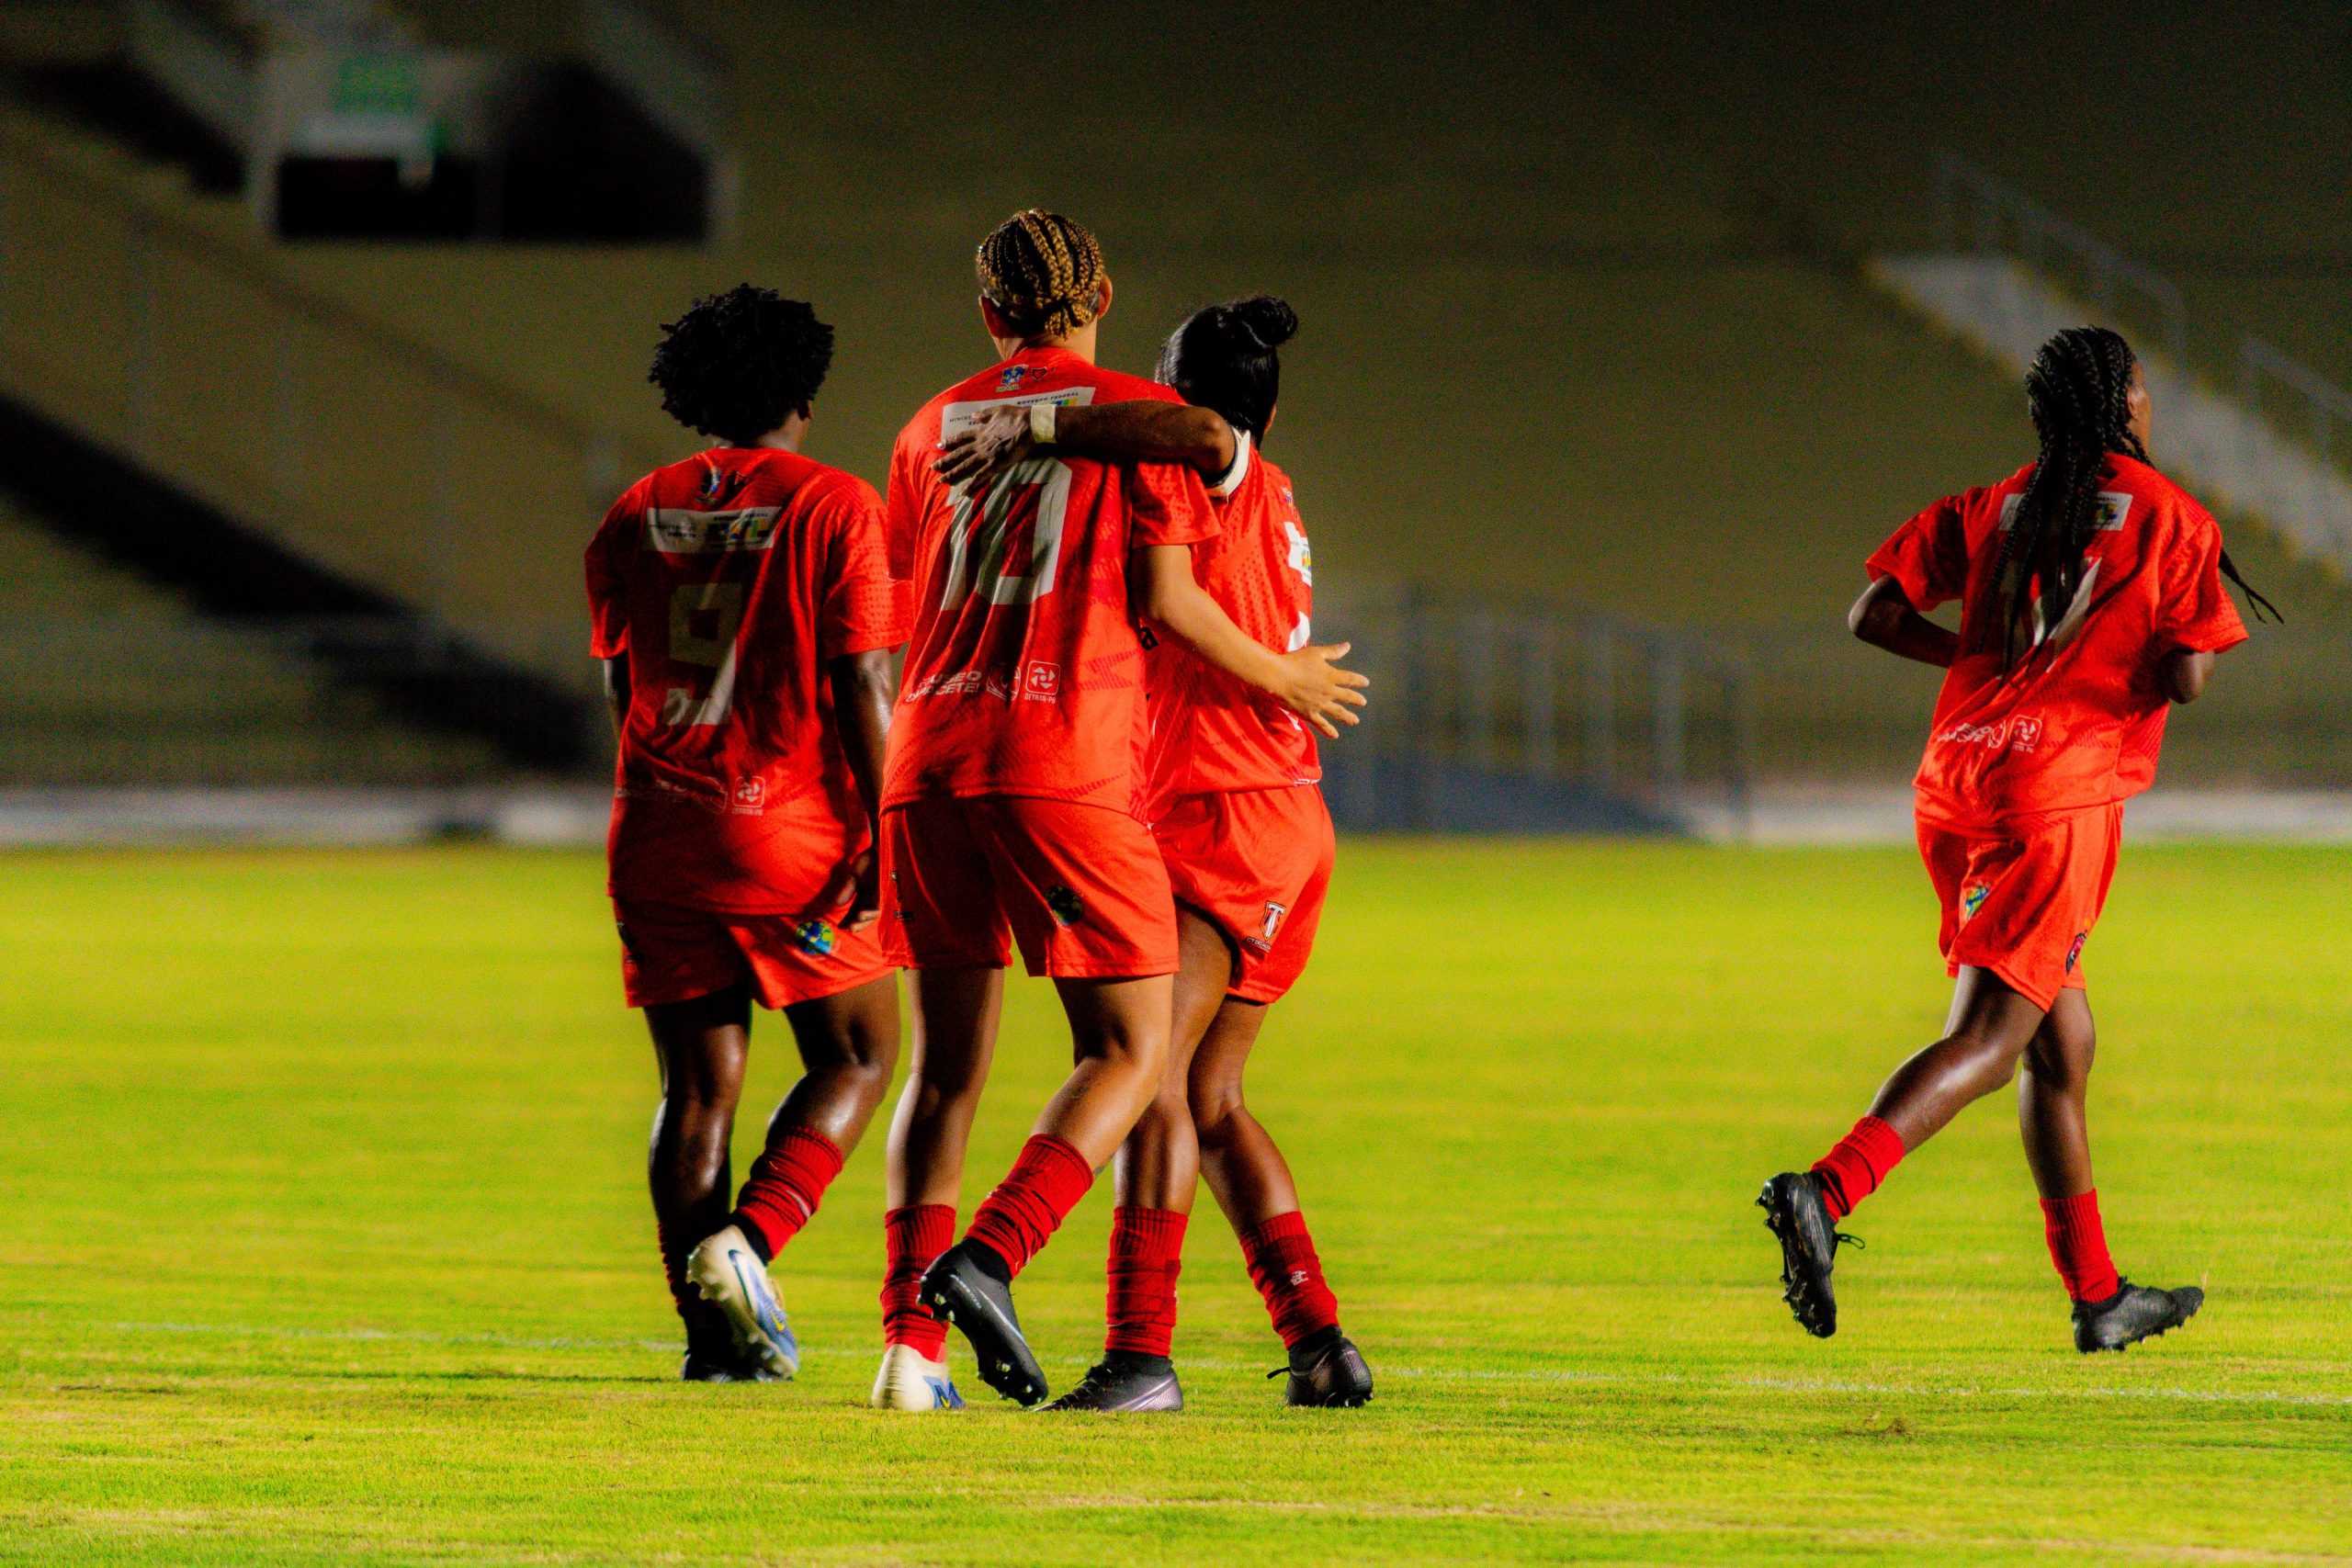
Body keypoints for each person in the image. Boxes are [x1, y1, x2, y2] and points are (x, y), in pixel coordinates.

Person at [870, 211, 1367, 1411]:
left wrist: (1028, 414)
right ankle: (1308, 1334)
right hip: (1143, 786)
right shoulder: (1175, 453)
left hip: (1216, 801)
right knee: (1190, 1084)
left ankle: (1021, 1316)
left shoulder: (1173, 454)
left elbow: (1159, 561)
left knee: (1124, 1069)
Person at [1758, 325, 2269, 1353]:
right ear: (2124, 402)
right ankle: (1826, 1187)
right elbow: (2182, 675)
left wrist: (1989, 663)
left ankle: (2098, 1295)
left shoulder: (1994, 503)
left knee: (2059, 1045)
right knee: (1996, 1041)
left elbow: (1871, 611)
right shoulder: (2173, 517)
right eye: (2145, 391)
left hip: (1957, 782)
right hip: (2057, 797)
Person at [585, 285, 906, 1384]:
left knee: (696, 1089)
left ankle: (708, 1344)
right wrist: (885, 823)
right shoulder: (837, 506)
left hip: (658, 828)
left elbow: (626, 674)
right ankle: (749, 1245)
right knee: (862, 1053)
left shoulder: (636, 509)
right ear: (803, 393)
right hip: (788, 835)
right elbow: (863, 675)